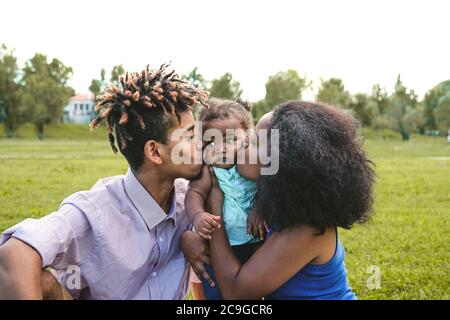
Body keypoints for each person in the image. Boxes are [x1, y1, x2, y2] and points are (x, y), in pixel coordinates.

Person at [0, 64, 211, 300]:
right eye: (190, 136)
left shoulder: (190, 198)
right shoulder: (94, 213)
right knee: (43, 283)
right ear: (155, 152)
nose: (201, 143)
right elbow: (13, 254)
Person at [182, 100, 375, 300]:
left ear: (285, 161)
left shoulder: (306, 228)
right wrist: (188, 239)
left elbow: (235, 293)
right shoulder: (278, 200)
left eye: (255, 143)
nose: (242, 148)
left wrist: (216, 208)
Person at [185, 98, 267, 299]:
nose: (221, 148)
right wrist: (197, 215)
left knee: (254, 291)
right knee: (216, 291)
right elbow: (194, 193)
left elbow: (267, 186)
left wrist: (259, 208)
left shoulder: (249, 164)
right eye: (212, 141)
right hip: (217, 248)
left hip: (254, 242)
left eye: (231, 140)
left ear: (247, 140)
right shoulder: (209, 170)